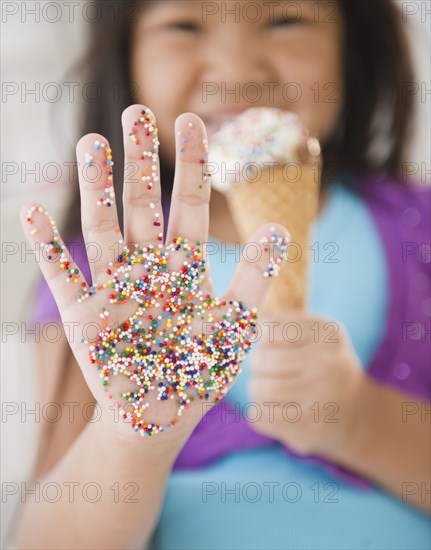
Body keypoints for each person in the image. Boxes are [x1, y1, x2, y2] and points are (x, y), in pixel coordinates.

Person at [16, 1, 430, 549]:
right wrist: (133, 437)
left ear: (353, 45)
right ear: (126, 55)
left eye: (287, 20)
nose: (236, 70)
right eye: (184, 25)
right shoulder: (102, 279)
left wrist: (361, 421)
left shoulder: (417, 229)